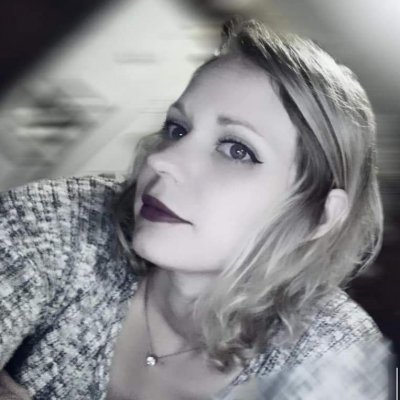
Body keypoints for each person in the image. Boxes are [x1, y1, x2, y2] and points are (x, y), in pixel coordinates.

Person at [0, 16, 392, 400]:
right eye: (177, 129)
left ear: (319, 216)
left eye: (237, 149)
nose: (162, 161)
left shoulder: (335, 357)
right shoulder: (57, 221)